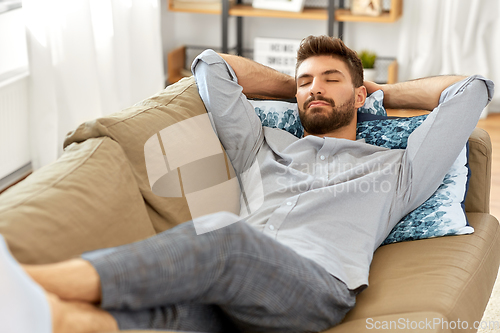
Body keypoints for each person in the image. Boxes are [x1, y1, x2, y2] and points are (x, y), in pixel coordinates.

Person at [0, 35, 494, 333]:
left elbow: (473, 89)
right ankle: (38, 313)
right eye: (306, 81)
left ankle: (17, 284)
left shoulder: (398, 169)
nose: (314, 87)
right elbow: (213, 66)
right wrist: (296, 88)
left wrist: (377, 94)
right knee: (154, 318)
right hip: (232, 293)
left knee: (229, 239)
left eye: (329, 78)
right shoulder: (261, 144)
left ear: (360, 93)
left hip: (314, 289)